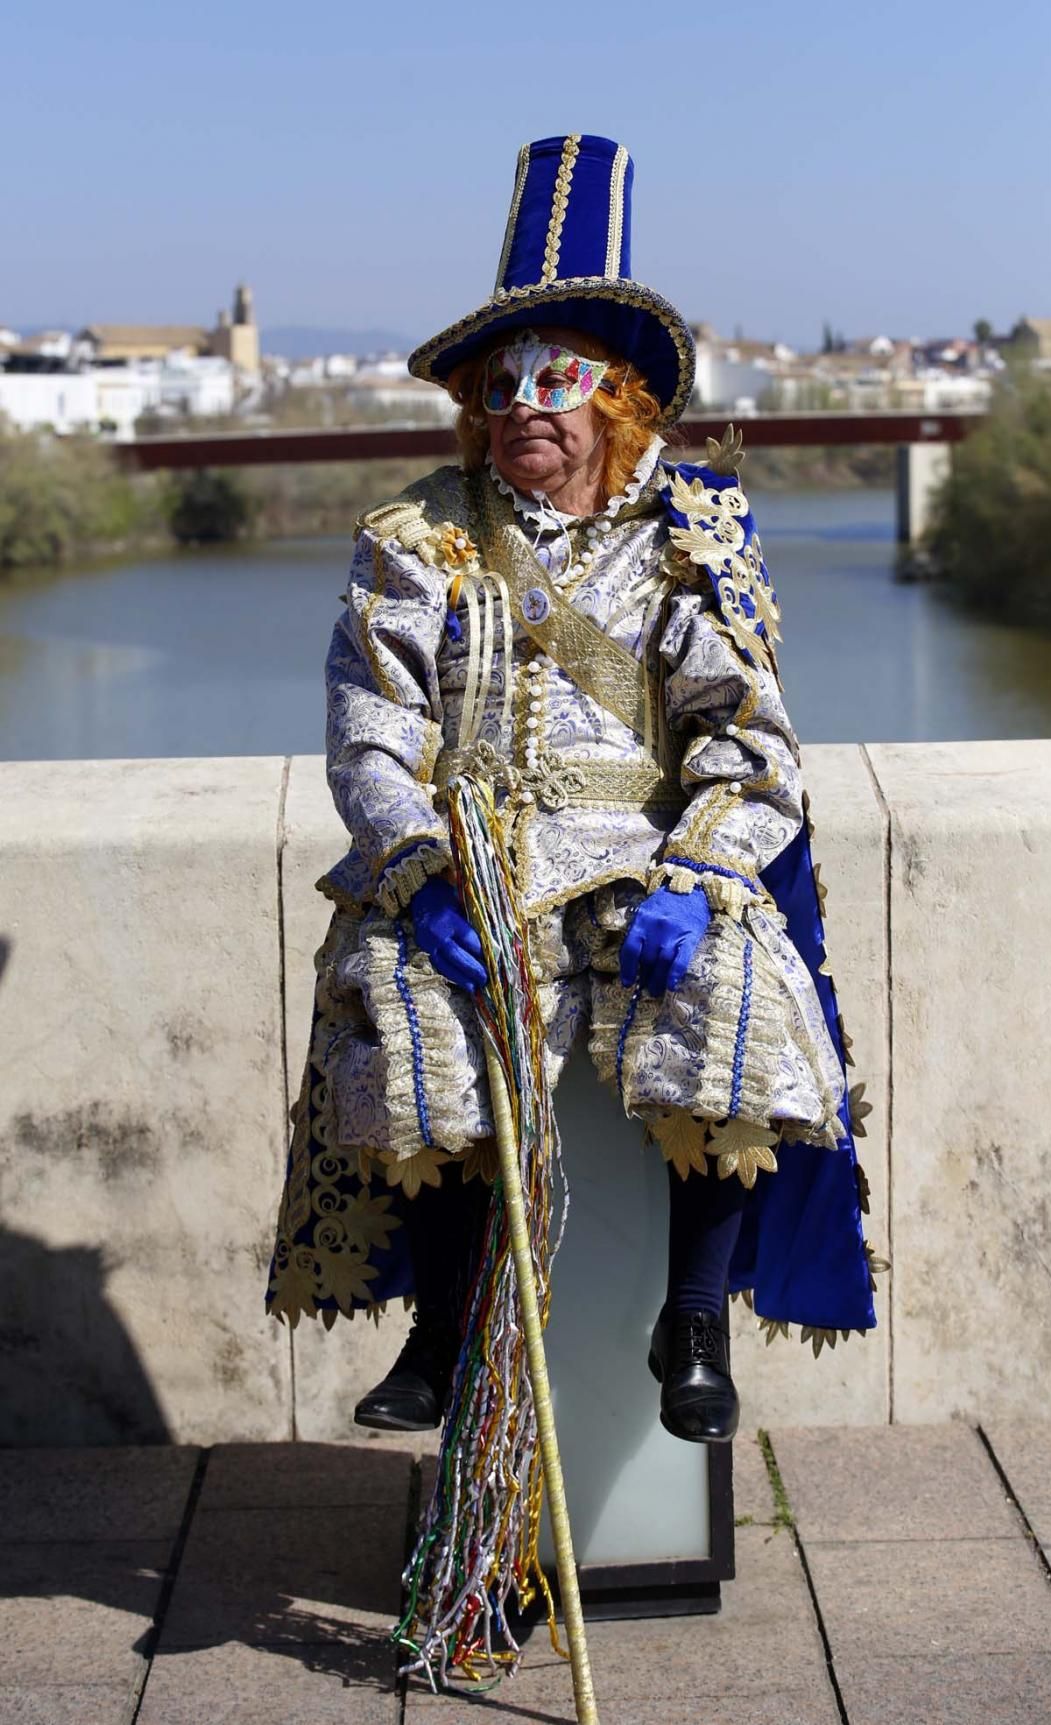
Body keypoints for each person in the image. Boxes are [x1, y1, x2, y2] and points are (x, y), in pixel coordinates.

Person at [266, 133, 881, 1445]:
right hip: (473, 848)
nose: (525, 406)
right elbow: (373, 731)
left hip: (644, 853)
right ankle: (440, 1318)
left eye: (558, 378)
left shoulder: (692, 532)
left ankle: (694, 1319)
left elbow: (749, 734)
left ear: (617, 397)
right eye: (503, 383)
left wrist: (706, 867)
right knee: (403, 989)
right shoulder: (419, 534)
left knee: (731, 989)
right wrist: (422, 867)